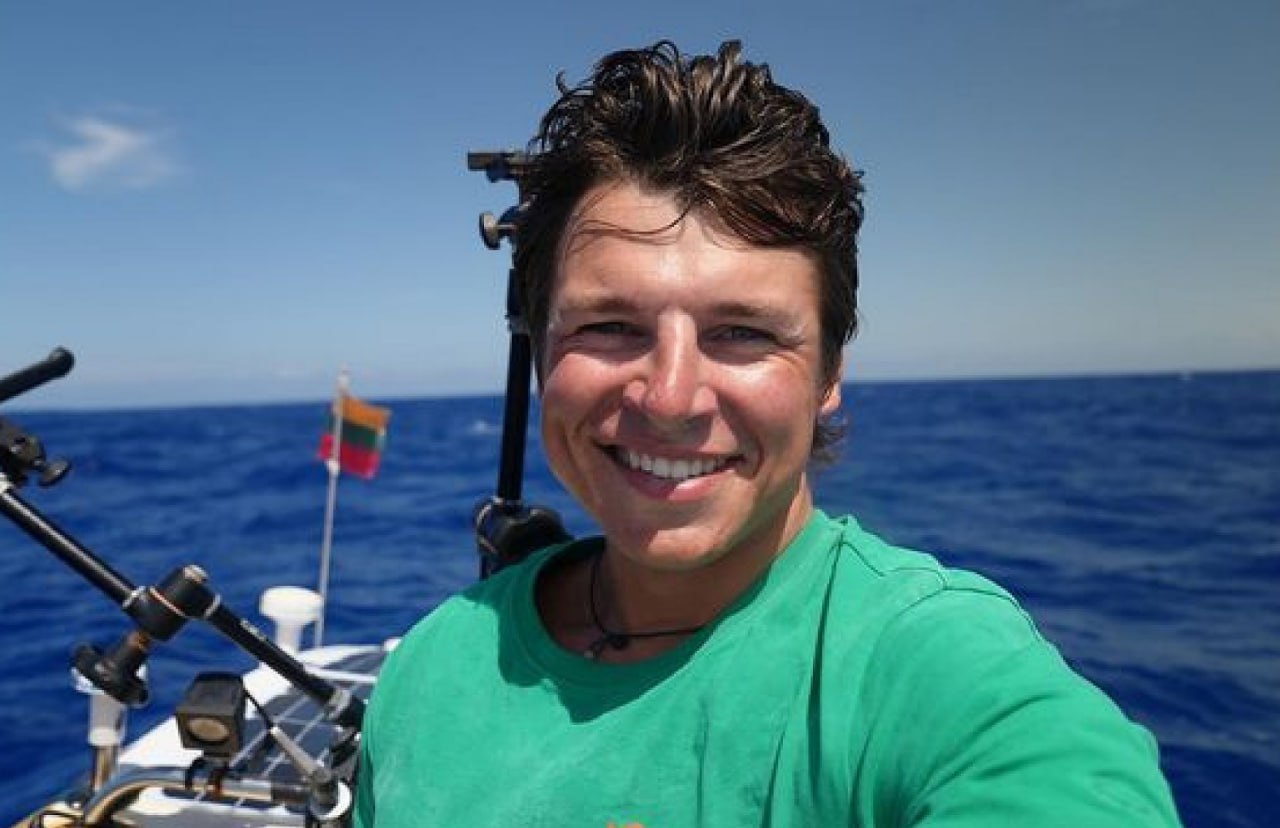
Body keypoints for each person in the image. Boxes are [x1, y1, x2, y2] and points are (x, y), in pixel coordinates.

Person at [354, 40, 1181, 826]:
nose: (670, 397)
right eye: (608, 326)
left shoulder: (938, 673)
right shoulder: (433, 665)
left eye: (743, 333)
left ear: (827, 376)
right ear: (542, 358)